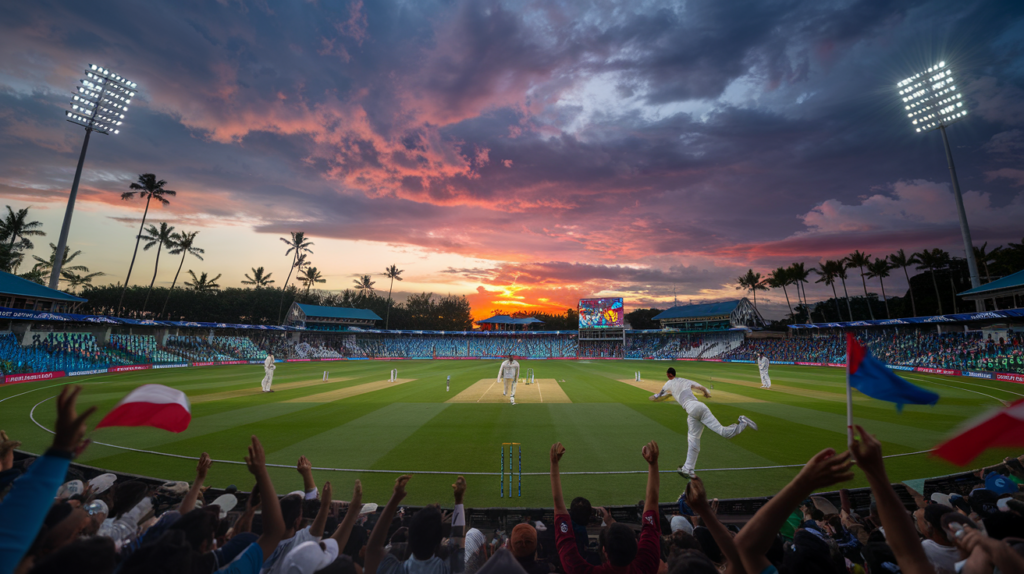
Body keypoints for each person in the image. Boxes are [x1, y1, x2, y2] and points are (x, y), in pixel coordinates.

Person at [549, 440, 661, 574]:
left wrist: (554, 464)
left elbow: (564, 539)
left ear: (604, 552)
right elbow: (652, 507)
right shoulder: (646, 565)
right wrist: (653, 465)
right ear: (636, 546)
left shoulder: (582, 570)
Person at [649, 367, 757, 479]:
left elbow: (659, 394)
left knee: (695, 439)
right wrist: (706, 393)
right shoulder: (686, 381)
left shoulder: (668, 383)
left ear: (669, 374)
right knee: (696, 438)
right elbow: (701, 388)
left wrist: (654, 397)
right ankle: (688, 469)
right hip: (698, 408)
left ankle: (743, 421)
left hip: (692, 409)